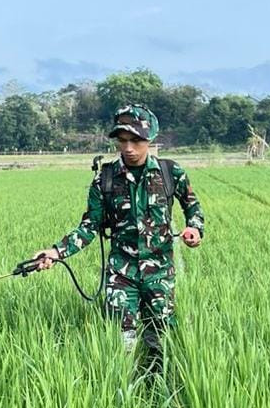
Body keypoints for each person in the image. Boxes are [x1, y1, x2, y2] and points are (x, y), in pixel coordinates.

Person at [32, 104, 204, 375]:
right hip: (121, 273)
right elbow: (89, 226)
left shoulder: (171, 173)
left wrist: (194, 230)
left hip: (159, 271)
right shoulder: (106, 180)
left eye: (135, 140)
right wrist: (56, 252)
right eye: (122, 141)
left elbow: (193, 207)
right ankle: (123, 391)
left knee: (161, 338)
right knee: (122, 343)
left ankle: (161, 385)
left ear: (149, 139)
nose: (128, 148)